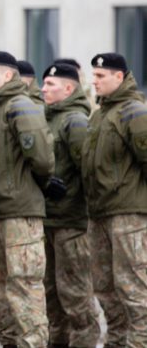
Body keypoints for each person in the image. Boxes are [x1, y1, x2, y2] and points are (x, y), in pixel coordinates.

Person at [0, 51, 57, 348]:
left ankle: (33, 343)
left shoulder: (20, 107)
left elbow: (43, 160)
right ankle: (10, 342)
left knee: (24, 284)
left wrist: (28, 185)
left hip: (19, 211)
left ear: (7, 76)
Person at [83, 53, 147, 346]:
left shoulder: (134, 112)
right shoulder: (99, 115)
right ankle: (117, 342)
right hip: (99, 213)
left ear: (118, 77)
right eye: (93, 76)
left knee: (133, 287)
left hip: (129, 214)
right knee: (105, 288)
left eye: (100, 76)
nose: (94, 81)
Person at [39, 62, 100, 348]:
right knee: (51, 294)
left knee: (75, 294)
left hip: (71, 221)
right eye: (43, 83)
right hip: (49, 219)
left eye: (50, 84)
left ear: (68, 88)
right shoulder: (49, 118)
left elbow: (87, 169)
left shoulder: (74, 120)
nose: (43, 88)